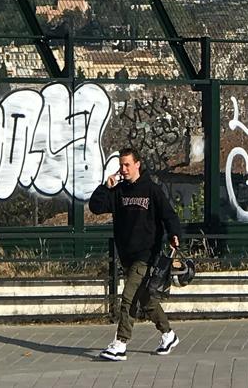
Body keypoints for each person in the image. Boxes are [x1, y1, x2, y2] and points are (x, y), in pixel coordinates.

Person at [88, 148, 182, 361]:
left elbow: (169, 215)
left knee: (128, 297)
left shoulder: (151, 190)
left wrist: (175, 234)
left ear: (138, 164)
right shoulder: (119, 191)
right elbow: (96, 207)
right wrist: (105, 186)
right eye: (121, 165)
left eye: (127, 165)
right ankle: (168, 334)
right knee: (146, 299)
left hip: (147, 254)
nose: (124, 169)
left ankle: (120, 343)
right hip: (127, 254)